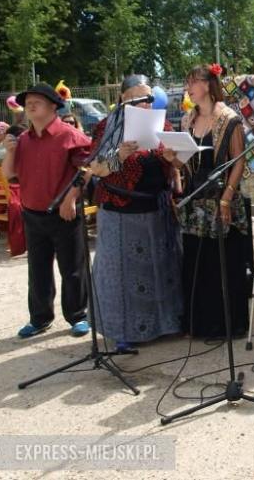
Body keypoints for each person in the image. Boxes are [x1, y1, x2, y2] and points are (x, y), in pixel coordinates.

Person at [89, 75, 184, 350]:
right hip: (121, 213)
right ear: (123, 99)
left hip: (156, 210)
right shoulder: (107, 127)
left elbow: (176, 163)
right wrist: (118, 155)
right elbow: (97, 169)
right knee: (124, 276)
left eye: (148, 99)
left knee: (161, 270)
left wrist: (172, 158)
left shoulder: (162, 124)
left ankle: (166, 325)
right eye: (139, 99)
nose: (145, 104)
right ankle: (123, 332)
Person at [163, 64, 250, 338]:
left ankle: (227, 325)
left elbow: (239, 161)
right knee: (198, 265)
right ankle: (200, 324)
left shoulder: (229, 119)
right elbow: (187, 162)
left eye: (193, 81)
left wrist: (226, 199)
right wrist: (171, 159)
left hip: (220, 199)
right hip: (195, 201)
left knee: (223, 265)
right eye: (187, 80)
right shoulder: (187, 120)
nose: (188, 86)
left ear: (208, 84)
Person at [1, 83, 91, 338]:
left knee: (72, 268)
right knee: (37, 269)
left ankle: (78, 316)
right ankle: (40, 318)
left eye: (37, 100)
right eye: (27, 100)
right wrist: (9, 152)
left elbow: (86, 171)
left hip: (64, 213)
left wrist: (71, 198)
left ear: (54, 106)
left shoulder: (70, 135)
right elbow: (9, 174)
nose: (30, 103)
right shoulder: (23, 140)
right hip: (32, 213)